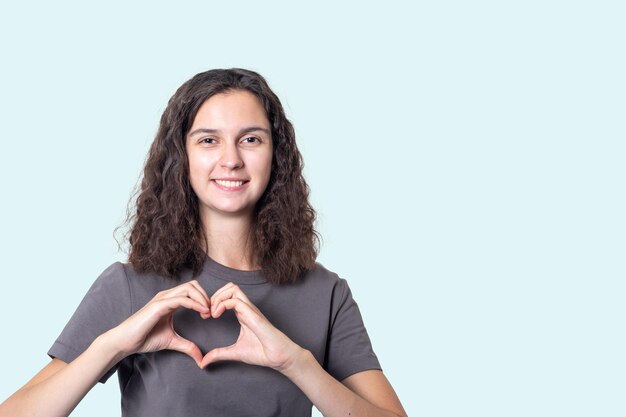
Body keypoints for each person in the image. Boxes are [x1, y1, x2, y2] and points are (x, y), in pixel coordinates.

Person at [0, 68, 407, 417]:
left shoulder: (326, 294)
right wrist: (111, 346)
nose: (230, 159)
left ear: (275, 156)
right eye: (208, 140)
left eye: (251, 139)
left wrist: (297, 363)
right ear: (183, 157)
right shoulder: (129, 286)